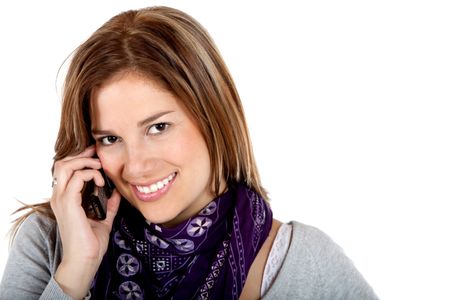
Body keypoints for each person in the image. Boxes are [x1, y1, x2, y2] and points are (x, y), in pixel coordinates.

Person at [0, 6, 378, 300]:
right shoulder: (50, 241)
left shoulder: (301, 263)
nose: (136, 166)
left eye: (158, 127)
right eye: (110, 139)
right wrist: (75, 272)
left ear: (213, 117)